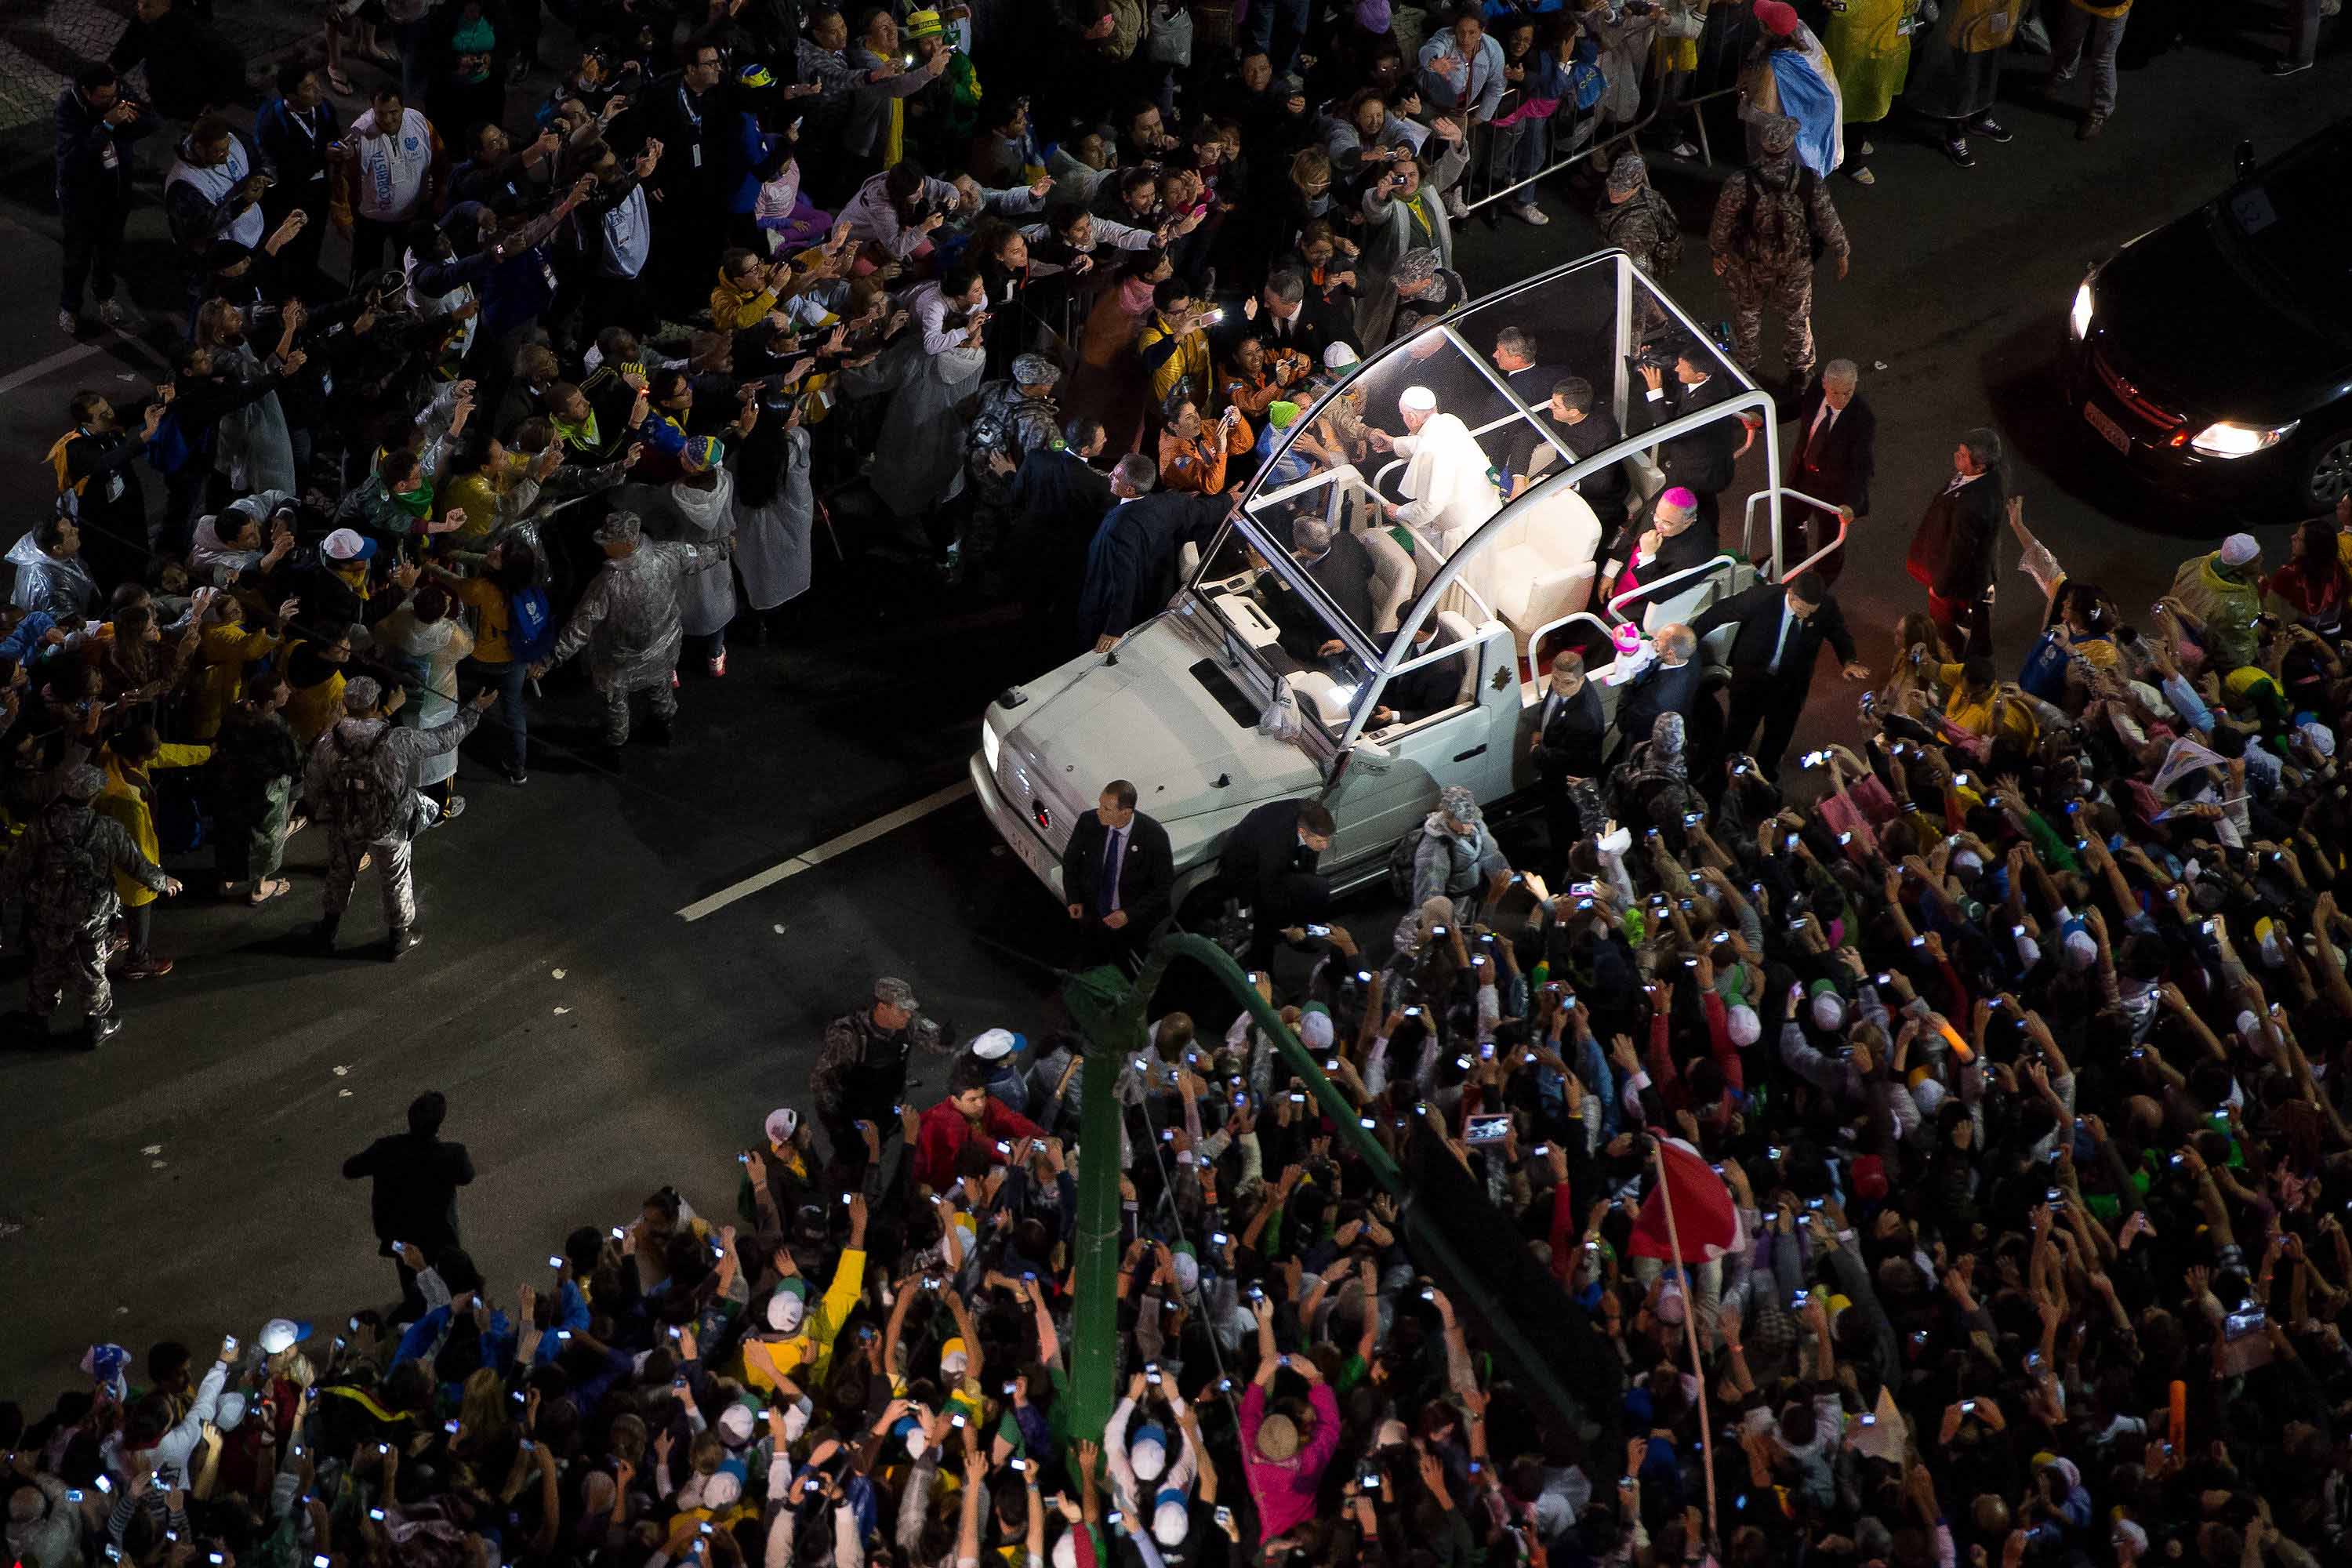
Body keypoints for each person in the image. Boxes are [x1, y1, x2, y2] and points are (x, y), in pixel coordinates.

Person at [303, 676, 495, 959]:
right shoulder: (397, 740)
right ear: (376, 704)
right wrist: (475, 708)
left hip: (346, 823)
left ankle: (327, 932)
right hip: (391, 824)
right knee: (396, 877)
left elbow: (313, 783)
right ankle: (398, 938)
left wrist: (319, 813)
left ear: (345, 704)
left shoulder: (327, 742)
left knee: (340, 873)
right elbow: (443, 739)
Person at [0, 764, 180, 1049]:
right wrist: (164, 881)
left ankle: (37, 1019)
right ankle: (97, 1024)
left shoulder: (41, 827)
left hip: (47, 913)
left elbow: (13, 869)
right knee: (91, 967)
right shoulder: (107, 829)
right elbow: (138, 866)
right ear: (92, 795)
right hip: (91, 916)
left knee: (46, 964)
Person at [530, 511, 732, 752]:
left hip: (618, 662)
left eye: (609, 542)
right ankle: (664, 725)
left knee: (616, 702)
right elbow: (698, 555)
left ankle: (617, 740)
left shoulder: (606, 585)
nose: (604, 546)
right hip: (663, 648)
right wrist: (723, 546)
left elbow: (579, 629)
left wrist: (550, 658)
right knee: (661, 689)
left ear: (626, 543)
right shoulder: (667, 553)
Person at [1708, 114, 1847, 396]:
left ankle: (1746, 373)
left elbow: (1721, 224)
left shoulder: (1740, 182)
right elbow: (1827, 219)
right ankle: (1801, 376)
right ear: (1788, 146)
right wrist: (1842, 251)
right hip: (1794, 268)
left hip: (1748, 267)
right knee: (1797, 319)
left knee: (1748, 318)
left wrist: (1718, 252)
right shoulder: (1808, 180)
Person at [1693, 568, 1868, 776]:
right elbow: (1721, 611)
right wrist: (1691, 638)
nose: (1807, 616)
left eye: (1812, 612)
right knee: (1737, 736)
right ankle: (1721, 779)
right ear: (1791, 596)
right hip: (1752, 682)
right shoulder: (1761, 599)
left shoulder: (1825, 607)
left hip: (1790, 689)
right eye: (1804, 610)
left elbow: (1839, 633)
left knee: (1776, 742)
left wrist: (1849, 660)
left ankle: (1764, 784)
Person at [339, 1090, 475, 1324]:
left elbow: (350, 1169)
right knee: (446, 1276)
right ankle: (444, 1314)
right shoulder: (453, 1154)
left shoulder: (386, 1148)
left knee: (409, 1273)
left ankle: (417, 1308)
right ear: (438, 1125)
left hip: (400, 1235)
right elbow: (467, 1176)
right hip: (440, 1236)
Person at [54, 64, 158, 337]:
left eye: (113, 95)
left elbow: (150, 122)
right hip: (80, 201)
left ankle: (105, 297)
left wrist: (128, 121)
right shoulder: (68, 109)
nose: (111, 101)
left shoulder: (118, 93)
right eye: (103, 97)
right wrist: (108, 125)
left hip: (115, 194)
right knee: (77, 258)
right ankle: (70, 307)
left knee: (108, 252)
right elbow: (75, 159)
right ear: (86, 92)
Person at [811, 976, 946, 1166]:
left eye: (910, 1010)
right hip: (855, 1116)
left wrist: (944, 1039)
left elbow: (937, 1044)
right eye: (902, 1010)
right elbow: (822, 1080)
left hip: (886, 1108)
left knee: (877, 1151)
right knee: (851, 1161)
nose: (908, 1015)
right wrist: (836, 1123)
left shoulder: (907, 1023)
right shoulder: (849, 1035)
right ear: (882, 1008)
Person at [1906, 426, 2005, 658]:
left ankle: (1953, 668)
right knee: (1969, 624)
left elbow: (1960, 551)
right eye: (1959, 451)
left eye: (1963, 455)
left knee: (1947, 631)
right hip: (1970, 579)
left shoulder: (1974, 503)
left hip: (1956, 584)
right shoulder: (1981, 477)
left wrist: (1939, 587)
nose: (1956, 456)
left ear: (1980, 467)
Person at [1062, 778, 1175, 968]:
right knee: (1086, 960)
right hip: (1093, 912)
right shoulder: (1089, 821)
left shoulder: (1154, 837)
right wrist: (1074, 898)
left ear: (1125, 813)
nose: (1099, 812)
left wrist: (1128, 914)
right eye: (1100, 805)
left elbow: (1163, 887)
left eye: (1106, 809)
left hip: (1130, 922)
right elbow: (1071, 861)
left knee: (1120, 967)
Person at [1631, 339, 1739, 536]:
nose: (1676, 368)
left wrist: (1656, 390)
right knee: (1703, 507)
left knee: (1683, 507)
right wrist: (1655, 356)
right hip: (1695, 464)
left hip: (1701, 472)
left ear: (1700, 376)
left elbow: (1669, 431)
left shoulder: (1707, 403)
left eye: (1682, 368)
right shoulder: (1701, 377)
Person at [1218, 795, 1335, 971]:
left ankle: (1300, 933)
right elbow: (1269, 887)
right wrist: (1285, 926)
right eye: (1320, 841)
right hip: (1247, 868)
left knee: (1316, 888)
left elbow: (1308, 864)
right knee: (1265, 919)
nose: (1325, 846)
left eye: (1327, 840)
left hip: (1271, 860)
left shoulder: (1311, 819)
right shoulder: (1277, 843)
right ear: (1303, 833)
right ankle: (1262, 970)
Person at [1787, 358, 1875, 584]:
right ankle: (1791, 559)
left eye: (1849, 392)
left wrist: (1853, 504)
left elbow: (1861, 467)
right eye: (1836, 393)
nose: (1842, 399)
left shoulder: (1862, 418)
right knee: (1790, 518)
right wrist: (1766, 417)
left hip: (1834, 490)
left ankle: (1821, 584)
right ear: (1825, 383)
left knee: (1830, 540)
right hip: (1804, 474)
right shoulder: (1815, 389)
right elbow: (1797, 407)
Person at [1903, 0, 2020, 166]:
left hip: (2001, 13)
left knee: (1990, 69)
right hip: (1966, 18)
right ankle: (1954, 135)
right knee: (1961, 77)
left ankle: (1981, 118)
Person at [912, 1054, 1048, 1189]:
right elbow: (980, 1142)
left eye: (982, 1096)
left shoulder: (987, 1104)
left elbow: (1012, 1120)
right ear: (954, 1100)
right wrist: (1010, 1155)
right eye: (972, 1100)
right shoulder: (947, 1121)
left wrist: (1043, 1137)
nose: (981, 1104)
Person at [1530, 648, 1606, 874]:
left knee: (1563, 824)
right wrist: (1538, 729)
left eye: (1566, 683)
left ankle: (1561, 868)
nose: (1559, 687)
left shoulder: (1584, 718)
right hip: (1555, 766)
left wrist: (1536, 751)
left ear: (1581, 679)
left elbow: (1564, 758)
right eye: (1554, 679)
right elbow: (1548, 710)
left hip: (1568, 782)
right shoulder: (1564, 687)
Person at [1610, 622, 1700, 760]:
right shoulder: (1693, 656)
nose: (1654, 642)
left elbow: (1624, 722)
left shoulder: (1657, 699)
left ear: (1671, 653)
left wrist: (1628, 682)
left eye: (1659, 641)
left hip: (1647, 740)